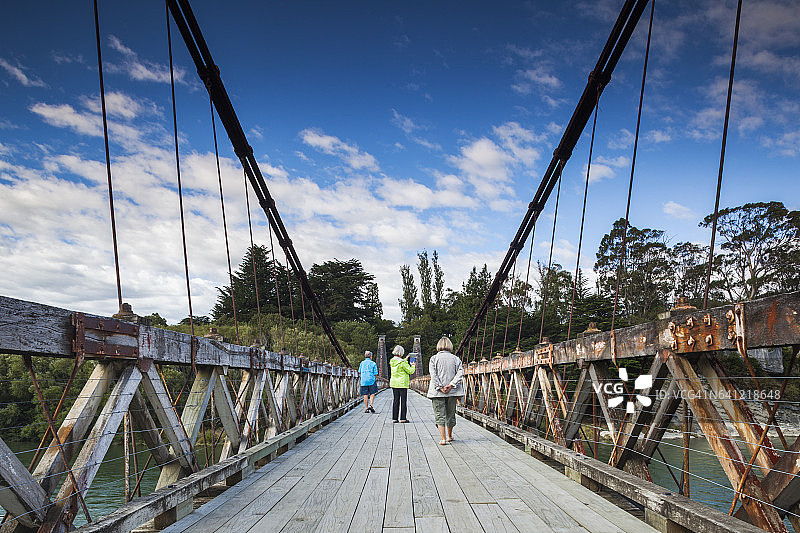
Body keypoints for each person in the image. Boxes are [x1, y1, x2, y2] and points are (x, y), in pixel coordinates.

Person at [427, 336, 463, 445]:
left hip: (437, 392)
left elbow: (433, 375)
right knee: (450, 414)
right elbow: (460, 374)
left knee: (439, 415)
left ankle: (442, 439)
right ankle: (450, 436)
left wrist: (440, 387)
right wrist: (451, 385)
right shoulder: (456, 359)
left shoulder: (434, 358)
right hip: (452, 392)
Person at [389, 345, 415, 423]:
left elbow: (399, 362)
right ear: (401, 352)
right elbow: (410, 371)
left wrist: (405, 359)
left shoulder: (392, 361)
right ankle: (403, 418)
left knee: (396, 400)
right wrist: (413, 366)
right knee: (403, 401)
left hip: (394, 383)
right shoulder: (403, 363)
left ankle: (394, 418)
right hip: (402, 383)